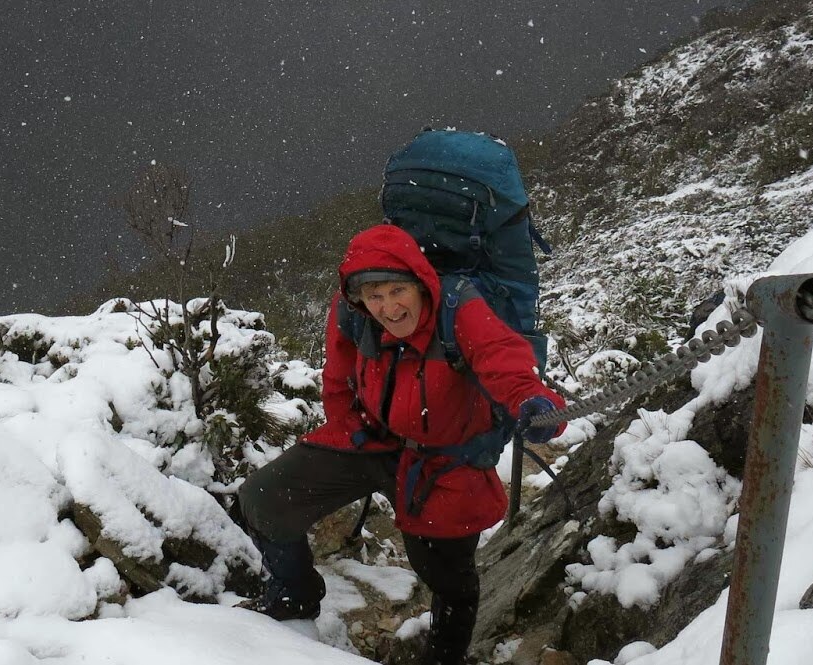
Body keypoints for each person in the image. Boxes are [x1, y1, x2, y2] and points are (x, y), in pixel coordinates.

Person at [237, 223, 566, 665]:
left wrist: (533, 401)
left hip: (445, 459)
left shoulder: (458, 309)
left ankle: (444, 656)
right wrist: (350, 427)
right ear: (357, 298)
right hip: (371, 439)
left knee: (446, 577)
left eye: (397, 290)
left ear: (420, 281)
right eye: (374, 297)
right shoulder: (352, 314)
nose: (388, 308)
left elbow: (502, 359)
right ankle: (293, 599)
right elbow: (337, 379)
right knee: (265, 499)